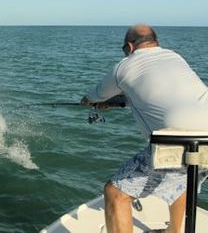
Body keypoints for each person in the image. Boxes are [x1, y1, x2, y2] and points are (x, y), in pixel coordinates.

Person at [81, 24, 208, 233]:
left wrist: (88, 101)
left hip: (178, 141)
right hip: (205, 138)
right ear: (154, 42)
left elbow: (93, 97)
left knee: (115, 194)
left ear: (129, 47)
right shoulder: (174, 57)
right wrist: (120, 101)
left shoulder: (124, 66)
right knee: (181, 179)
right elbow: (161, 94)